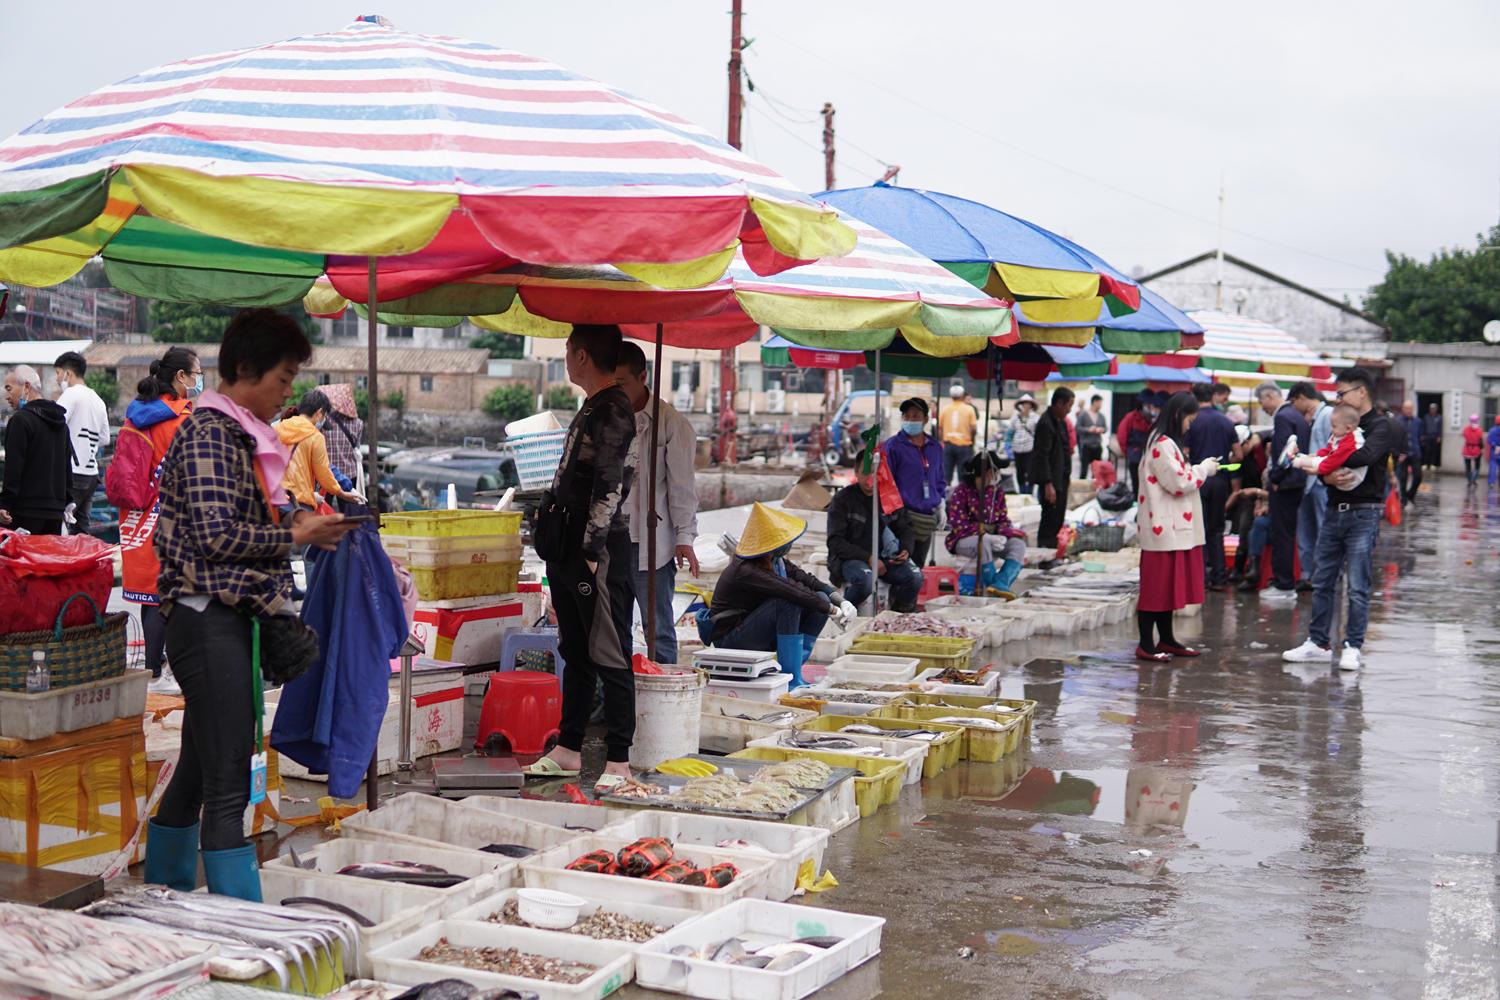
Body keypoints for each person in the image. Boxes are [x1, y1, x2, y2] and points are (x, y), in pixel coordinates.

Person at [145, 309, 356, 900]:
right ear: (245, 369)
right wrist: (296, 535)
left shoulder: (240, 432)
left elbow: (250, 512)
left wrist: (300, 517)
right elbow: (216, 534)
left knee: (198, 763)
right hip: (204, 618)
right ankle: (240, 920)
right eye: (283, 378)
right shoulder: (211, 431)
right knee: (231, 773)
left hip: (223, 619)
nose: (288, 392)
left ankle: (167, 897)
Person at [527, 325, 637, 793]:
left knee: (609, 650)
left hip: (599, 551)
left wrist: (592, 552)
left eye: (568, 351)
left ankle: (619, 760)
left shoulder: (613, 410)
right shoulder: (592, 406)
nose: (566, 358)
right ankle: (570, 747)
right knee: (574, 647)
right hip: (569, 548)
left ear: (584, 356)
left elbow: (610, 486)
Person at [1283, 367, 1393, 672]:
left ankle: (1353, 646)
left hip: (1364, 513)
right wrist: (1326, 475)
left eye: (1341, 393)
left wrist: (1323, 466)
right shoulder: (1338, 426)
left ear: (1361, 392)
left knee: (1358, 586)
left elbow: (1365, 457)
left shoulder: (1380, 426)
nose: (1337, 398)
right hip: (1334, 511)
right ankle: (1318, 643)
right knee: (1323, 581)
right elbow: (1328, 464)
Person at [111, 347, 199, 685]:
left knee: (151, 594)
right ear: (180, 377)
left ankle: (152, 668)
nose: (197, 380)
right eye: (195, 373)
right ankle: (165, 670)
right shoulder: (181, 420)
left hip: (136, 512)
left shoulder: (137, 414)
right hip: (171, 515)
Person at [709, 503, 854, 688]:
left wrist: (839, 600)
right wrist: (832, 610)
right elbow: (790, 590)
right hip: (732, 638)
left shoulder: (775, 561)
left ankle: (795, 669)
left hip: (754, 631)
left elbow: (807, 580)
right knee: (788, 603)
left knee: (820, 599)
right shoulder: (746, 569)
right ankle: (790, 677)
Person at [616, 341, 699, 665]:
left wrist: (684, 539)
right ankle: (618, 701)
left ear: (643, 376)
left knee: (659, 629)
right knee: (613, 627)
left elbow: (682, 488)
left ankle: (663, 696)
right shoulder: (608, 416)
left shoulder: (671, 424)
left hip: (654, 544)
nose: (617, 391)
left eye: (622, 383)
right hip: (614, 539)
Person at [1134, 391, 1219, 661]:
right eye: (1189, 420)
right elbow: (1179, 483)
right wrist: (1203, 469)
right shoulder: (1161, 443)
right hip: (1163, 528)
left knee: (1167, 588)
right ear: (1178, 416)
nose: (1189, 426)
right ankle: (1147, 644)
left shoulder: (1164, 442)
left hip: (1170, 528)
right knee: (1155, 589)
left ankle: (1167, 639)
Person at [826, 450, 921, 611]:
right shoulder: (843, 499)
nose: (870, 478)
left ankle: (897, 617)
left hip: (886, 559)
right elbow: (835, 542)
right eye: (865, 471)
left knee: (915, 578)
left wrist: (905, 549)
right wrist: (868, 558)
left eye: (875, 472)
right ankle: (842, 613)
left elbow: (906, 528)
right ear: (856, 471)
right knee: (866, 580)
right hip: (849, 560)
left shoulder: (890, 498)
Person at [944, 450, 1026, 597]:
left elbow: (1003, 519)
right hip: (963, 540)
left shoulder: (997, 492)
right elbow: (958, 525)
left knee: (1018, 545)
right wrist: (983, 533)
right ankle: (991, 584)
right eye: (993, 472)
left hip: (991, 539)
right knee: (984, 542)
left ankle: (1001, 583)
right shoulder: (961, 492)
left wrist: (1004, 534)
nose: (995, 476)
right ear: (985, 473)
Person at [0, 365, 70, 535]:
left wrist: (5, 504)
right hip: (55, 511)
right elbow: (67, 465)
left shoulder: (20, 421)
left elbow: (14, 467)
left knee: (18, 561)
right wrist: (67, 501)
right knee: (48, 560)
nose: (7, 396)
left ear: (26, 386)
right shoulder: (61, 422)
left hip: (25, 510)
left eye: (9, 389)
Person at [1184, 383, 1239, 591]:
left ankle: (1200, 579)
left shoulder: (1192, 422)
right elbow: (1238, 455)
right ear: (1213, 397)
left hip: (1198, 480)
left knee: (1199, 529)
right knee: (1216, 529)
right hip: (1220, 481)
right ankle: (1218, 577)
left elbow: (1186, 453)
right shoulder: (1226, 422)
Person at [1256, 381, 1308, 595]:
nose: (1262, 407)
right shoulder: (1297, 415)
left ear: (1270, 397)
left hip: (1286, 483)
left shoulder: (1283, 417)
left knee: (1282, 534)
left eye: (1262, 402)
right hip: (1296, 480)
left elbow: (1285, 453)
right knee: (1287, 532)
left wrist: (1275, 478)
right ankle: (1284, 581)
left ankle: (1283, 583)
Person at [276, 390, 364, 512]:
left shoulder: (278, 428)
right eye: (324, 416)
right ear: (319, 412)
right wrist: (341, 493)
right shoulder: (315, 437)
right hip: (299, 504)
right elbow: (324, 473)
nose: (323, 420)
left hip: (277, 500)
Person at [53, 351, 109, 535]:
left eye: (58, 373)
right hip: (91, 474)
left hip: (72, 473)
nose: (57, 379)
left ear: (68, 374)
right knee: (81, 529)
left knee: (58, 523)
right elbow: (105, 438)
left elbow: (55, 424)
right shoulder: (99, 400)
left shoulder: (70, 394)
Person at [883, 397, 945, 566]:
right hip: (902, 519)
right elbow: (886, 484)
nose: (910, 420)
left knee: (918, 566)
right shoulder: (892, 446)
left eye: (916, 416)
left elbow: (939, 478)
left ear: (925, 419)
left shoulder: (935, 447)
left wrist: (941, 502)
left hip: (926, 519)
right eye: (906, 416)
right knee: (901, 568)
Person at [1289, 382, 1329, 591]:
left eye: (1295, 402)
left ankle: (1323, 574)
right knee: (1307, 532)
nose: (1294, 407)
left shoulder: (1328, 415)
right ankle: (1308, 574)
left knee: (1323, 530)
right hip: (1309, 482)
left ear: (1303, 397)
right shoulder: (1313, 417)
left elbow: (1334, 449)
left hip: (1320, 482)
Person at [1031, 387, 1074, 549]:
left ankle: (1052, 551)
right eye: (1068, 406)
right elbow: (1042, 455)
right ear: (1059, 403)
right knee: (1050, 518)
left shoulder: (1060, 422)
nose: (1069, 410)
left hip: (1060, 478)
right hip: (1051, 481)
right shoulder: (1046, 423)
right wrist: (1048, 484)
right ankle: (1045, 552)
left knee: (1058, 518)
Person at [1292, 404, 1366, 488]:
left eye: (1334, 426)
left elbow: (1336, 458)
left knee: (1320, 461)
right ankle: (1297, 457)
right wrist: (1317, 454)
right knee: (1319, 459)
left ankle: (1293, 461)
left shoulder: (1351, 441)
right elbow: (1330, 450)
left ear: (1348, 428)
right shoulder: (1342, 434)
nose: (1331, 429)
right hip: (1343, 475)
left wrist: (1319, 470)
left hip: (1350, 478)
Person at [319, 383, 365, 493]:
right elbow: (356, 448)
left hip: (327, 473)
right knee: (349, 508)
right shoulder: (358, 423)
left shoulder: (324, 420)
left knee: (325, 508)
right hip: (349, 474)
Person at [1227, 487, 1271, 589]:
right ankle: (1252, 567)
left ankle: (1253, 569)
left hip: (1280, 511)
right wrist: (1258, 504)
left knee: (1258, 525)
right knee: (1250, 532)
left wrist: (1256, 491)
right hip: (1263, 509)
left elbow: (1280, 496)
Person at [1116, 391, 1158, 496]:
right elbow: (1122, 436)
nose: (1150, 407)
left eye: (1151, 405)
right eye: (1147, 405)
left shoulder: (1153, 419)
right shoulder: (1131, 417)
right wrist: (1129, 452)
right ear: (1141, 405)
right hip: (1135, 457)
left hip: (1150, 458)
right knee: (1136, 486)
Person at [938, 383, 979, 486]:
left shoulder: (945, 409)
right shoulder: (969, 409)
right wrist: (972, 441)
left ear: (951, 396)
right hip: (965, 446)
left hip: (948, 445)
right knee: (963, 475)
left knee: (946, 474)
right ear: (962, 396)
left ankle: (945, 496)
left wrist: (942, 442)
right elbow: (973, 429)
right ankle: (962, 497)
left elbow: (940, 429)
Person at [1008, 394, 1039, 492]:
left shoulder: (1035, 418)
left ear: (1031, 405)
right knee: (1019, 472)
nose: (1025, 406)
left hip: (1030, 448)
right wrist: (1008, 446)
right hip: (1017, 448)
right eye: (1023, 403)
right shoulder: (1015, 417)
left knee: (1030, 471)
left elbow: (1038, 433)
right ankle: (1022, 491)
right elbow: (1010, 432)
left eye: (1028, 404)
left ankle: (1029, 491)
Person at [1395, 401, 1423, 504]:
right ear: (1403, 409)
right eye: (1406, 408)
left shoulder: (1418, 421)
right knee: (1403, 477)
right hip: (1403, 453)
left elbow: (1420, 435)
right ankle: (1403, 499)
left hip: (1415, 452)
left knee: (1418, 476)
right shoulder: (1398, 421)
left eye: (1410, 408)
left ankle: (1410, 494)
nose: (1408, 410)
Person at [1076, 394, 1107, 474]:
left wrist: (1102, 429)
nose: (1101, 405)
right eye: (1100, 403)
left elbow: (1105, 428)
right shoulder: (1083, 414)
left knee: (1097, 470)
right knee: (1084, 470)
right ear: (1094, 402)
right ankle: (1082, 485)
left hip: (1097, 445)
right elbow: (1077, 428)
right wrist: (1088, 430)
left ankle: (1096, 485)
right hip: (1086, 445)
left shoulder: (1101, 416)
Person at [1461, 415, 1484, 485]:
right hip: (1476, 449)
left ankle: (1469, 480)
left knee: (1468, 466)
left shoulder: (1466, 429)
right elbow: (1480, 441)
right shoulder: (1479, 430)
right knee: (1477, 465)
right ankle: (1474, 478)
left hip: (1467, 448)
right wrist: (1482, 448)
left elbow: (1464, 435)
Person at [1420, 402, 1442, 469]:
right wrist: (1422, 434)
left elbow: (1440, 427)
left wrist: (1439, 436)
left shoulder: (1439, 417)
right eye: (1431, 408)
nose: (1433, 410)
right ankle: (1425, 464)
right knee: (1426, 450)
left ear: (1436, 409)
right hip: (1427, 436)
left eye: (1434, 408)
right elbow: (1423, 426)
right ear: (1429, 409)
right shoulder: (1426, 416)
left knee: (1434, 451)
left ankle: (1433, 464)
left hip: (1435, 437)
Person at [1488, 416, 1500, 489]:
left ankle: (1491, 483)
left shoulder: (1492, 430)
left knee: (1493, 467)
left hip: (1494, 451)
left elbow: (1489, 440)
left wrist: (1495, 446)